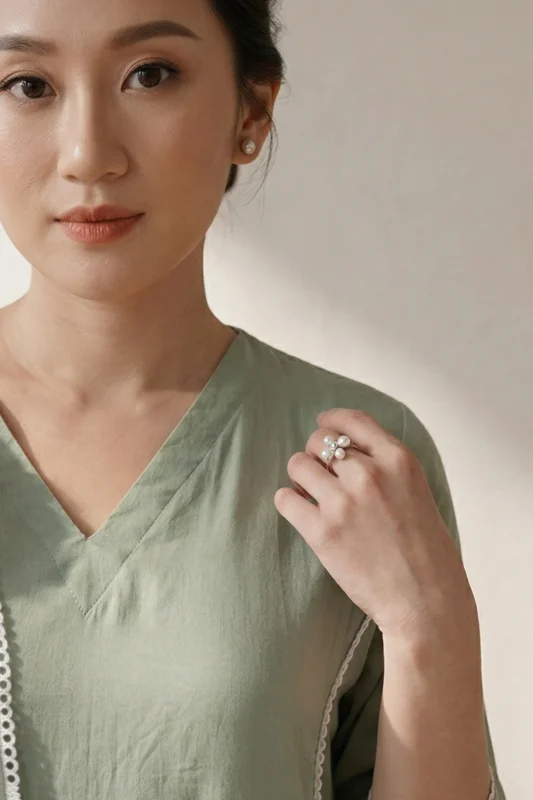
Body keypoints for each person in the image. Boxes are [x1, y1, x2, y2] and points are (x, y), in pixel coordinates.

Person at [0, 1, 506, 799]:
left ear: (252, 110)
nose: (88, 154)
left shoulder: (356, 464)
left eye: (150, 75)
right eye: (27, 85)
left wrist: (427, 632)